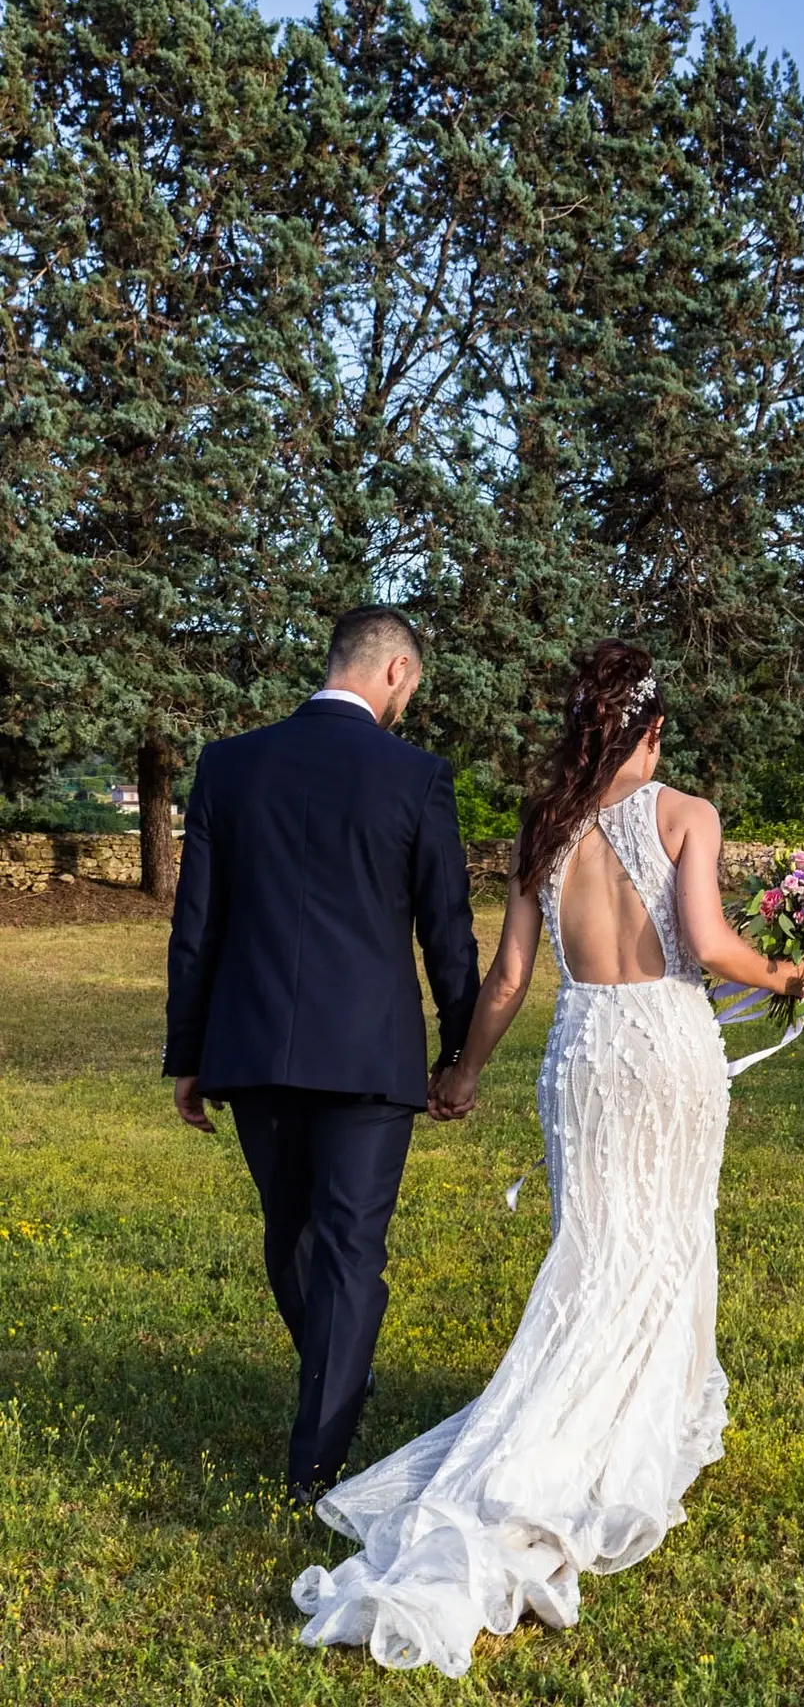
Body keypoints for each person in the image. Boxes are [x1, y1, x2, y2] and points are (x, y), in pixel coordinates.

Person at [291, 639, 804, 1675]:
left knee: (593, 1242)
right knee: (661, 1237)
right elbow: (709, 947)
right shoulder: (687, 814)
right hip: (666, 1046)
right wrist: (789, 971)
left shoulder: (546, 829)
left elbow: (508, 980)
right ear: (653, 730)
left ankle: (575, 1410)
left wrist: (463, 1074)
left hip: (583, 1051)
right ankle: (625, 1425)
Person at [163, 606, 480, 1504]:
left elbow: (198, 927)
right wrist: (460, 1051)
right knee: (345, 1248)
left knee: (293, 1234)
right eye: (411, 687)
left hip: (251, 1043)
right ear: (394, 674)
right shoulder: (416, 778)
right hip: (370, 1055)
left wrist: (188, 1051)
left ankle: (334, 1392)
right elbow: (445, 933)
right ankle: (317, 1462)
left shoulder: (230, 765)